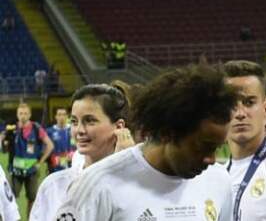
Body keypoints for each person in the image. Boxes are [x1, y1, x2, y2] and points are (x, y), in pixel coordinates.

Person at [56, 64, 237, 219]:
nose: (211, 159)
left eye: (217, 148)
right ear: (167, 133)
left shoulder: (219, 181)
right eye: (203, 147)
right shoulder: (97, 185)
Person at [31, 83, 134, 220]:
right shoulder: (53, 187)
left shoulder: (137, 187)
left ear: (119, 127)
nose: (79, 130)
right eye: (74, 121)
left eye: (90, 121)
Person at [223, 60, 266, 221]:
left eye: (249, 102)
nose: (240, 113)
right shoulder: (214, 176)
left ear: (265, 110)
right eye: (230, 104)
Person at [9, 103, 53, 215]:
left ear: (29, 115)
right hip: (15, 170)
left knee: (32, 199)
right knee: (10, 198)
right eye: (20, 113)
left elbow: (50, 145)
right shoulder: (12, 128)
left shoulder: (36, 128)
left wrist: (40, 162)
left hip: (32, 170)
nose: (23, 116)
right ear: (17, 115)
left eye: (25, 113)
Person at [46, 107, 75, 174]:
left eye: (64, 114)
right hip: (55, 167)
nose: (62, 117)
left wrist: (72, 155)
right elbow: (47, 149)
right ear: (55, 116)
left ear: (67, 116)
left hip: (72, 165)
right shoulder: (49, 131)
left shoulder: (73, 130)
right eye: (59, 114)